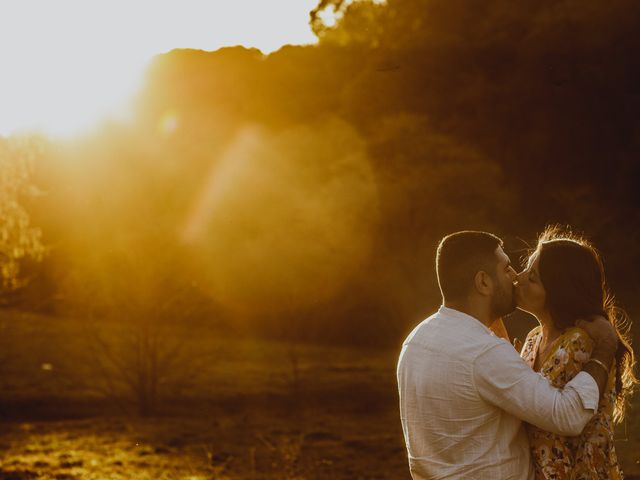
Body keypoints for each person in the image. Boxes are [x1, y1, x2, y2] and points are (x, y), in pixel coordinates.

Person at [397, 231, 618, 480]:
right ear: (483, 282)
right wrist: (607, 346)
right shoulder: (485, 352)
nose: (514, 276)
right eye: (506, 268)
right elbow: (567, 415)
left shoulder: (416, 340)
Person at [517, 227, 637, 479]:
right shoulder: (531, 340)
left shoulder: (580, 343)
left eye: (532, 276)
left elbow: (587, 436)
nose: (519, 277)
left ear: (558, 291)